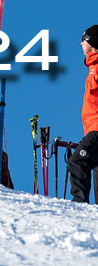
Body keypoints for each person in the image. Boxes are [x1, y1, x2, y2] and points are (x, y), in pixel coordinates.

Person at [68, 25, 98, 203]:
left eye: (83, 40)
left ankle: (79, 205)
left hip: (96, 128)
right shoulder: (92, 66)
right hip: (92, 128)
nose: (80, 43)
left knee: (77, 162)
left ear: (91, 42)